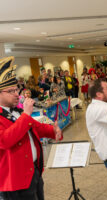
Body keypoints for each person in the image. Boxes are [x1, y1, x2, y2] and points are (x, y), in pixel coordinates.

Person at [0, 56, 63, 200]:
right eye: (11, 91)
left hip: (33, 172)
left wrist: (53, 131)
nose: (17, 94)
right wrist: (26, 115)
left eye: (17, 89)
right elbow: (5, 140)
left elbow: (36, 128)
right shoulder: (21, 114)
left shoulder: (17, 111)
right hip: (14, 181)